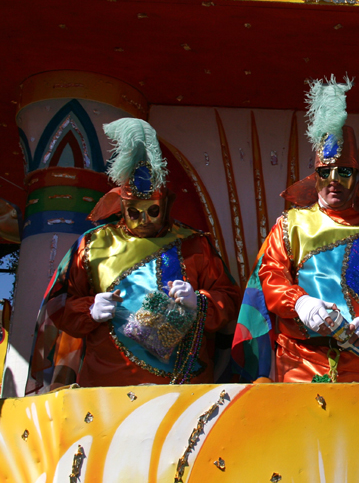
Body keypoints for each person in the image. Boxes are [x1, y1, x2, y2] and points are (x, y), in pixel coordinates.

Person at [232, 77, 359, 383]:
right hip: (300, 363)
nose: (334, 179)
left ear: (357, 177)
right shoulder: (291, 225)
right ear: (316, 176)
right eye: (326, 171)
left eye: (344, 171)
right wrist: (300, 302)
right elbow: (269, 275)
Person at [28, 118, 239, 391]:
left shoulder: (195, 245)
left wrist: (199, 302)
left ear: (165, 205)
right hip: (107, 386)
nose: (144, 221)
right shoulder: (92, 245)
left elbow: (230, 298)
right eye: (134, 212)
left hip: (184, 388)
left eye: (152, 211)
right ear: (122, 205)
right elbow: (57, 305)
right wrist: (89, 309)